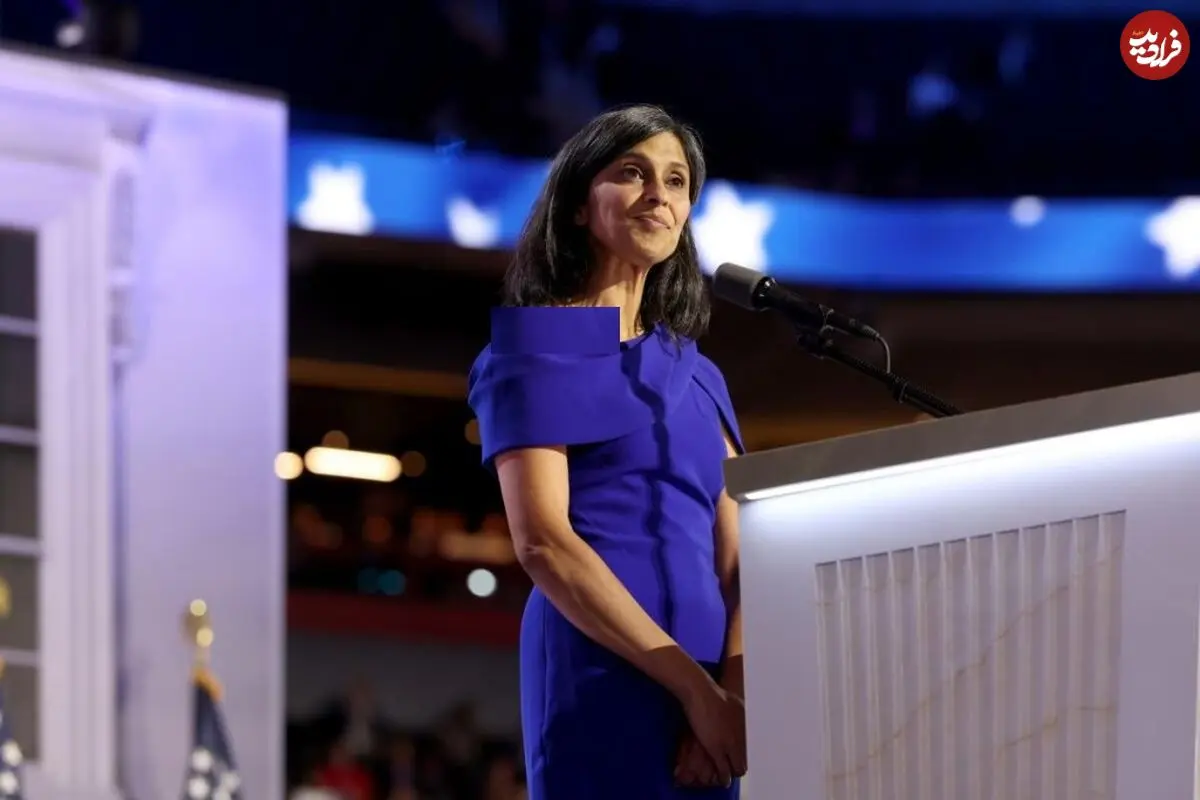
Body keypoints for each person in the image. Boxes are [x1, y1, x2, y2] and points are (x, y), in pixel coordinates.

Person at [467, 104, 747, 799]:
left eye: (676, 181)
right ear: (577, 205)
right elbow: (544, 543)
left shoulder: (703, 376)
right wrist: (693, 690)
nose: (659, 194)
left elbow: (740, 560)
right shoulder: (531, 351)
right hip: (598, 673)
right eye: (632, 173)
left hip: (716, 705)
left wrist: (731, 701)